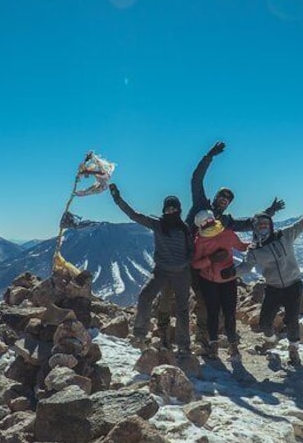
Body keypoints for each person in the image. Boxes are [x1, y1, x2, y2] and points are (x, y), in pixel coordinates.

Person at [158, 141, 285, 354]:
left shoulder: (226, 221)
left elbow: (247, 223)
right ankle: (162, 333)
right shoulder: (201, 204)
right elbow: (196, 179)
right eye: (222, 196)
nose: (224, 200)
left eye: (228, 199)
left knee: (204, 302)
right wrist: (210, 156)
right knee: (168, 295)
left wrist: (269, 212)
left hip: (203, 265)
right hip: (181, 257)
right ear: (216, 197)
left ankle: (203, 337)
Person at [237, 193, 303, 367]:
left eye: (265, 223)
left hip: (293, 286)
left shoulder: (284, 236)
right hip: (273, 288)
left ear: (270, 225)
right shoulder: (255, 250)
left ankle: (293, 349)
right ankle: (271, 340)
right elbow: (245, 268)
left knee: (292, 320)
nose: (263, 227)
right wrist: (226, 273)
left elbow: (302, 224)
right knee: (265, 322)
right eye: (259, 225)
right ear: (255, 229)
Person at [108, 183, 193, 356]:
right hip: (161, 270)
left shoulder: (185, 229)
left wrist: (187, 264)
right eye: (168, 209)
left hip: (182, 272)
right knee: (145, 297)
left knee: (182, 309)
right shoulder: (158, 225)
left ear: (179, 210)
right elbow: (134, 216)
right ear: (163, 211)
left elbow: (191, 250)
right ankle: (139, 335)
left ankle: (184, 345)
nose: (170, 212)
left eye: (173, 209)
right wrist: (118, 199)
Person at [191, 209, 248, 361]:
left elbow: (242, 247)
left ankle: (231, 346)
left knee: (228, 313)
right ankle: (216, 345)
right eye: (204, 222)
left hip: (225, 280)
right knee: (214, 313)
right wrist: (211, 259)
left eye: (208, 220)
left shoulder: (226, 234)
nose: (207, 224)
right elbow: (195, 264)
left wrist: (260, 244)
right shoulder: (201, 240)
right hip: (211, 281)